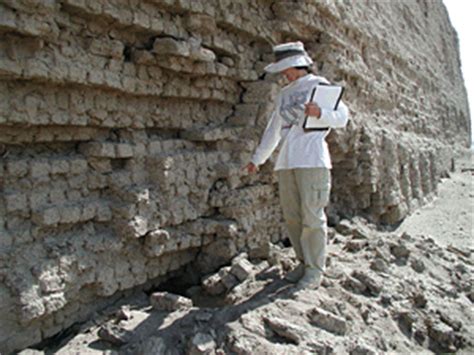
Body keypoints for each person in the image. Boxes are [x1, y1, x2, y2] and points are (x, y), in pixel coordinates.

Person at [244, 41, 349, 289]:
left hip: (312, 159)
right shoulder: (284, 94)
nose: (284, 74)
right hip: (286, 162)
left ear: (297, 64)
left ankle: (315, 270)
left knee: (312, 216)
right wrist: (257, 159)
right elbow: (274, 130)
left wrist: (320, 114)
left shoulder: (319, 85)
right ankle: (303, 263)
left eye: (286, 69)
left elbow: (342, 117)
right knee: (292, 217)